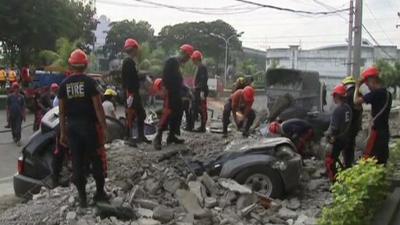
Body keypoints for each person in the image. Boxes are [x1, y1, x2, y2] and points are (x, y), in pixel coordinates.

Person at [58, 49, 108, 207]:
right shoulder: (90, 82)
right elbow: (98, 107)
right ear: (85, 65)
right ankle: (99, 193)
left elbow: (61, 111)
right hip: (89, 128)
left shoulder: (64, 85)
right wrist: (104, 127)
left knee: (77, 162)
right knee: (96, 159)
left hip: (73, 128)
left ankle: (82, 198)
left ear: (71, 65)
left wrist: (62, 132)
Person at [152, 44, 194, 150]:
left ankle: (171, 136)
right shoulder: (172, 61)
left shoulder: (177, 64)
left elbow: (179, 82)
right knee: (167, 114)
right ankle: (158, 137)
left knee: (178, 112)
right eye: (188, 57)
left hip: (176, 93)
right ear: (184, 54)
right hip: (170, 93)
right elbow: (165, 77)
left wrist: (187, 90)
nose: (187, 60)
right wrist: (166, 89)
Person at [354, 67, 392, 164]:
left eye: (367, 84)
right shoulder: (388, 94)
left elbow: (355, 101)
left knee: (370, 159)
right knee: (382, 160)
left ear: (372, 80)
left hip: (377, 134)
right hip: (385, 132)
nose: (368, 87)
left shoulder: (375, 94)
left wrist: (357, 86)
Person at [121, 38, 150, 144]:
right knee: (130, 115)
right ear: (134, 49)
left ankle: (140, 136)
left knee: (141, 114)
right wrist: (130, 95)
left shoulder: (130, 61)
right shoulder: (128, 62)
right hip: (131, 92)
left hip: (133, 92)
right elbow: (130, 79)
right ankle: (128, 137)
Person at [325, 84, 352, 182]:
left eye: (334, 96)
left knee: (329, 161)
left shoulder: (338, 110)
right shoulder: (348, 108)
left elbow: (335, 128)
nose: (333, 98)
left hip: (338, 140)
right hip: (346, 138)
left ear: (337, 96)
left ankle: (334, 183)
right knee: (336, 158)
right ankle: (344, 173)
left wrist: (330, 137)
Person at [341, 76, 363, 168]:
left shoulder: (348, 95)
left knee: (347, 146)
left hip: (349, 125)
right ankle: (349, 163)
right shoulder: (358, 93)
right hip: (356, 124)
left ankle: (347, 165)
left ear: (346, 85)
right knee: (351, 145)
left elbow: (346, 112)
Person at [191, 50, 209, 132]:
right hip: (197, 90)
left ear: (196, 59)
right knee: (196, 107)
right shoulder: (199, 67)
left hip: (201, 91)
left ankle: (203, 127)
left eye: (193, 59)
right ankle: (196, 124)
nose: (192, 61)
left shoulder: (202, 67)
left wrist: (201, 91)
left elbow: (203, 80)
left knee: (202, 108)